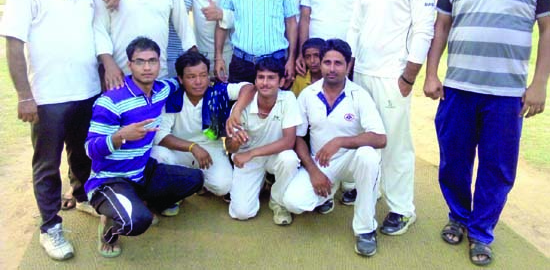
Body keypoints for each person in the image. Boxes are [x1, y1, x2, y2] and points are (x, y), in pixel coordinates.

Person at [423, 0, 550, 267]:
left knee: (497, 167)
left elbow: (547, 30)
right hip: (458, 89)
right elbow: (441, 27)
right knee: (454, 161)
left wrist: (539, 84)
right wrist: (431, 73)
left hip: (507, 95)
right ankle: (458, 217)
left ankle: (481, 231)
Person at [1, 0, 101, 261]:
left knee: (82, 153)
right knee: (46, 164)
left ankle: (82, 197)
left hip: (86, 89)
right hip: (47, 97)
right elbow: (14, 44)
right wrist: (24, 95)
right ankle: (50, 227)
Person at [346, 0, 436, 235]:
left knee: (396, 145)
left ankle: (401, 209)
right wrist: (350, 68)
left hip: (393, 76)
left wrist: (408, 77)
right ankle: (370, 190)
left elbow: (425, 30)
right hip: (363, 72)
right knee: (366, 138)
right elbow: (355, 26)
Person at [85, 37, 204, 258]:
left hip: (141, 173)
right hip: (110, 180)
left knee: (195, 179)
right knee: (138, 221)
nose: (147, 67)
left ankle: (140, 202)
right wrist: (120, 136)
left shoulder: (162, 89)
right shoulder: (110, 101)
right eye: (140, 61)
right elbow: (90, 149)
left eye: (152, 61)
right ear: (129, 65)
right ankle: (109, 228)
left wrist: (211, 80)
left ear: (160, 63)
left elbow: (181, 81)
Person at [282, 39, 386, 257]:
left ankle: (365, 229)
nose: (331, 68)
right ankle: (327, 192)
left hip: (351, 160)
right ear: (320, 65)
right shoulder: (308, 94)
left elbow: (380, 138)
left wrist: (340, 141)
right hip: (321, 163)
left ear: (348, 66)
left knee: (368, 156)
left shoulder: (359, 95)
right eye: (327, 62)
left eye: (338, 63)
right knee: (292, 202)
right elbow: (298, 138)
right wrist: (313, 171)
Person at [151, 50, 253, 199]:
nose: (198, 82)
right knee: (157, 155)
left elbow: (249, 88)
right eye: (191, 77)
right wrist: (193, 147)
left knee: (223, 186)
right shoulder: (173, 97)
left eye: (203, 75)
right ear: (180, 79)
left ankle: (195, 181)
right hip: (179, 149)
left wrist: (236, 111)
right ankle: (180, 186)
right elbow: (160, 135)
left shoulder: (217, 91)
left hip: (211, 149)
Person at [225, 58, 301, 225]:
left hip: (275, 155)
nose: (265, 83)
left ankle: (278, 202)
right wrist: (235, 142)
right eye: (261, 77)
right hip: (247, 159)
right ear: (255, 80)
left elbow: (289, 141)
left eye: (271, 78)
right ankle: (260, 183)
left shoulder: (288, 99)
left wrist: (252, 153)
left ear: (281, 82)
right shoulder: (240, 107)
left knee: (289, 159)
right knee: (242, 212)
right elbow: (230, 148)